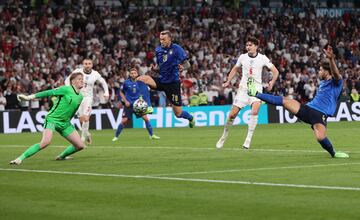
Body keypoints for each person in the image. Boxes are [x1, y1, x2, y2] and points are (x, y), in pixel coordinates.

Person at [247, 45, 349, 158]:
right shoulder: (323, 82)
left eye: (321, 70)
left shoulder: (336, 82)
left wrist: (331, 59)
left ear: (327, 72)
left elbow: (336, 73)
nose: (319, 72)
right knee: (284, 101)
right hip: (308, 109)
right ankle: (256, 93)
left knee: (320, 137)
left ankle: (333, 153)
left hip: (320, 114)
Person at [216, 37, 279, 149]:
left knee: (254, 112)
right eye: (247, 45)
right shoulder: (242, 57)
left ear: (256, 46)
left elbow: (275, 71)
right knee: (232, 115)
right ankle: (224, 135)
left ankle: (248, 140)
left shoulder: (263, 58)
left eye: (250, 45)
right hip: (243, 90)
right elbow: (235, 69)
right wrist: (228, 81)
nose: (248, 47)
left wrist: (272, 82)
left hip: (256, 90)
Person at [10, 72, 86, 165]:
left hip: (65, 123)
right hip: (52, 120)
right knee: (45, 142)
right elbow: (48, 92)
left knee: (80, 146)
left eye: (82, 79)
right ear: (73, 82)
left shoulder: (81, 97)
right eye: (79, 79)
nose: (82, 80)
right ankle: (19, 159)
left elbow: (73, 110)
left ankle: (61, 157)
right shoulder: (66, 89)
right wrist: (29, 97)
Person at [137, 30, 195, 128]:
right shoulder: (158, 50)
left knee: (178, 113)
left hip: (173, 84)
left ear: (169, 39)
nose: (161, 41)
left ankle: (190, 118)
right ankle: (149, 106)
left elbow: (187, 64)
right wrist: (156, 69)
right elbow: (161, 67)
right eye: (160, 39)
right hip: (162, 80)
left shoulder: (177, 49)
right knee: (141, 79)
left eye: (163, 39)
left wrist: (183, 67)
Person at [65, 58, 109, 145]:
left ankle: (82, 137)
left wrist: (106, 92)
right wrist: (70, 90)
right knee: (81, 120)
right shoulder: (77, 71)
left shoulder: (95, 74)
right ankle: (87, 134)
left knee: (86, 118)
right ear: (83, 64)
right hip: (77, 98)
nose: (87, 65)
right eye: (85, 64)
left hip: (88, 98)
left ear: (92, 65)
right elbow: (67, 80)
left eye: (89, 63)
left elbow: (103, 82)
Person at [112, 68, 160, 141]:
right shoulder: (126, 83)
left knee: (146, 118)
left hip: (138, 105)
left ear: (137, 74)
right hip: (129, 105)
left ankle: (152, 135)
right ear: (130, 74)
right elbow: (121, 92)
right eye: (132, 73)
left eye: (135, 73)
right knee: (124, 121)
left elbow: (146, 92)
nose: (133, 74)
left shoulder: (141, 82)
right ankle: (116, 136)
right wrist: (125, 101)